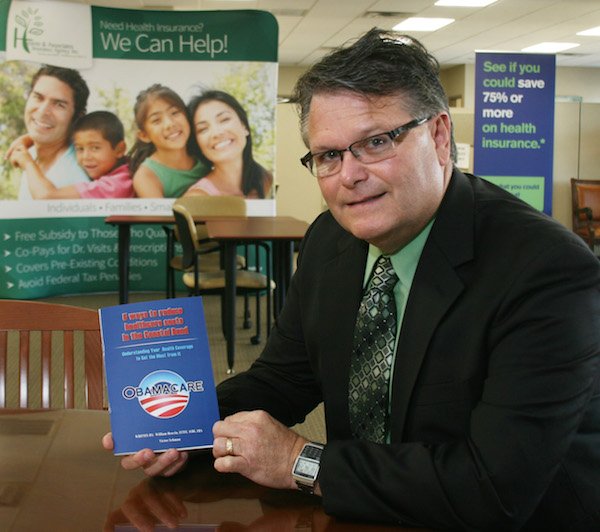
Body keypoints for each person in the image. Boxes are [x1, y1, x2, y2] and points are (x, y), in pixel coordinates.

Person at [103, 29, 600, 531]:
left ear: (440, 136)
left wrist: (300, 460)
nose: (349, 176)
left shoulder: (544, 270)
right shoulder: (329, 239)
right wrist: (181, 428)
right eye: (328, 155)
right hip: (363, 512)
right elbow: (285, 379)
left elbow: (495, 488)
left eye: (376, 142)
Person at [8, 65, 90, 200]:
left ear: (77, 117)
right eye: (38, 97)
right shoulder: (30, 155)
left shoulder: (80, 174)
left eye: (59, 105)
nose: (42, 111)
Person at [10, 111, 132, 199]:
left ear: (119, 149)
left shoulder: (115, 186)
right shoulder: (126, 167)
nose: (86, 157)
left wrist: (27, 163)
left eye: (95, 148)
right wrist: (29, 139)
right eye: (79, 148)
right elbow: (61, 137)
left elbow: (46, 197)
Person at [184, 90, 273, 199]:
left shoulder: (266, 179)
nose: (216, 133)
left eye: (224, 119)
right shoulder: (196, 198)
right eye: (203, 129)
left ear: (244, 126)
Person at [128, 84, 208, 198]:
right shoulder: (146, 176)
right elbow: (160, 216)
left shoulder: (205, 156)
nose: (170, 124)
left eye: (175, 113)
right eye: (156, 120)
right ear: (144, 135)